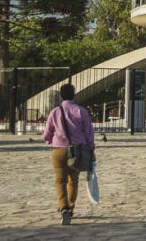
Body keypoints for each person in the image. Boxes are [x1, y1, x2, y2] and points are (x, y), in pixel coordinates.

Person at [42, 83, 95, 226]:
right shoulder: (81, 111)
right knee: (73, 180)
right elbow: (89, 133)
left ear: (61, 96)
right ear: (74, 95)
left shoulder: (55, 112)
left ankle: (63, 207)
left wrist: (49, 139)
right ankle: (71, 207)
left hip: (59, 149)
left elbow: (47, 133)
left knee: (60, 180)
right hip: (77, 151)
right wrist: (91, 148)